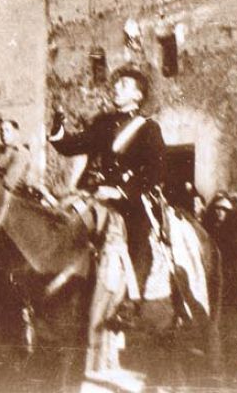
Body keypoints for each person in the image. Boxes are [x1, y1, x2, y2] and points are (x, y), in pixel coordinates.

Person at [49, 66, 166, 297]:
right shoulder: (103, 123)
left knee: (138, 235)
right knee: (62, 221)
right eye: (116, 84)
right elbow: (71, 145)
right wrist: (58, 122)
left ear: (137, 95)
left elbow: (156, 171)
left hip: (129, 200)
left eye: (123, 85)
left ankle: (133, 300)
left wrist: (119, 192)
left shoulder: (148, 128)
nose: (115, 88)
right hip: (95, 194)